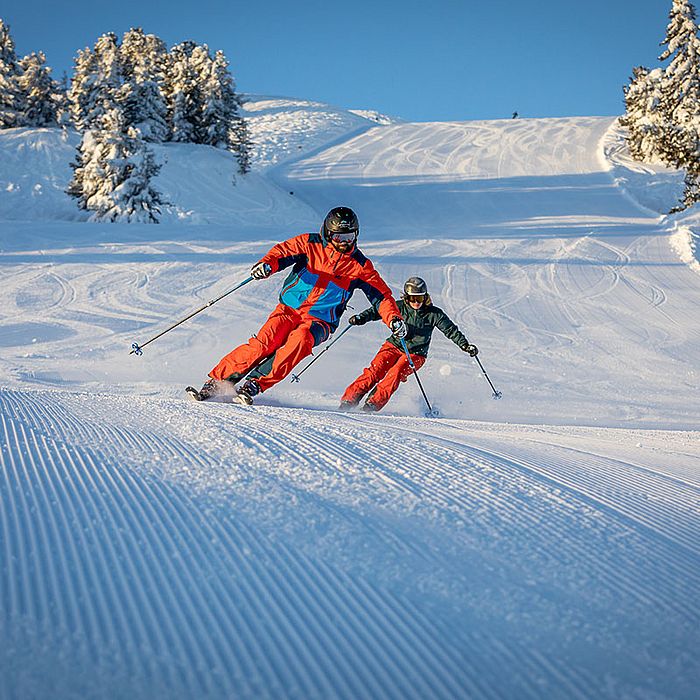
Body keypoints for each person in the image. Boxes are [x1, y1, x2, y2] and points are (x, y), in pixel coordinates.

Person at [188, 206, 405, 404]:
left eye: (349, 237)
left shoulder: (360, 266)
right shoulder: (309, 244)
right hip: (289, 309)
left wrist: (394, 319)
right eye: (338, 236)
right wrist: (266, 265)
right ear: (328, 233)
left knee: (299, 341)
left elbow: (382, 297)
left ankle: (255, 383)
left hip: (320, 321)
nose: (344, 242)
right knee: (264, 343)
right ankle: (219, 382)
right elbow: (281, 253)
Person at [339, 276, 478, 412]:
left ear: (425, 297)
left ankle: (373, 403)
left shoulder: (434, 314)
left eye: (420, 298)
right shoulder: (398, 307)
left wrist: (465, 345)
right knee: (376, 369)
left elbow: (450, 330)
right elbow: (378, 311)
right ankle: (350, 399)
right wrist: (360, 318)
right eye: (413, 298)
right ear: (406, 297)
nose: (416, 302)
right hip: (393, 346)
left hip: (416, 354)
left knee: (396, 371)